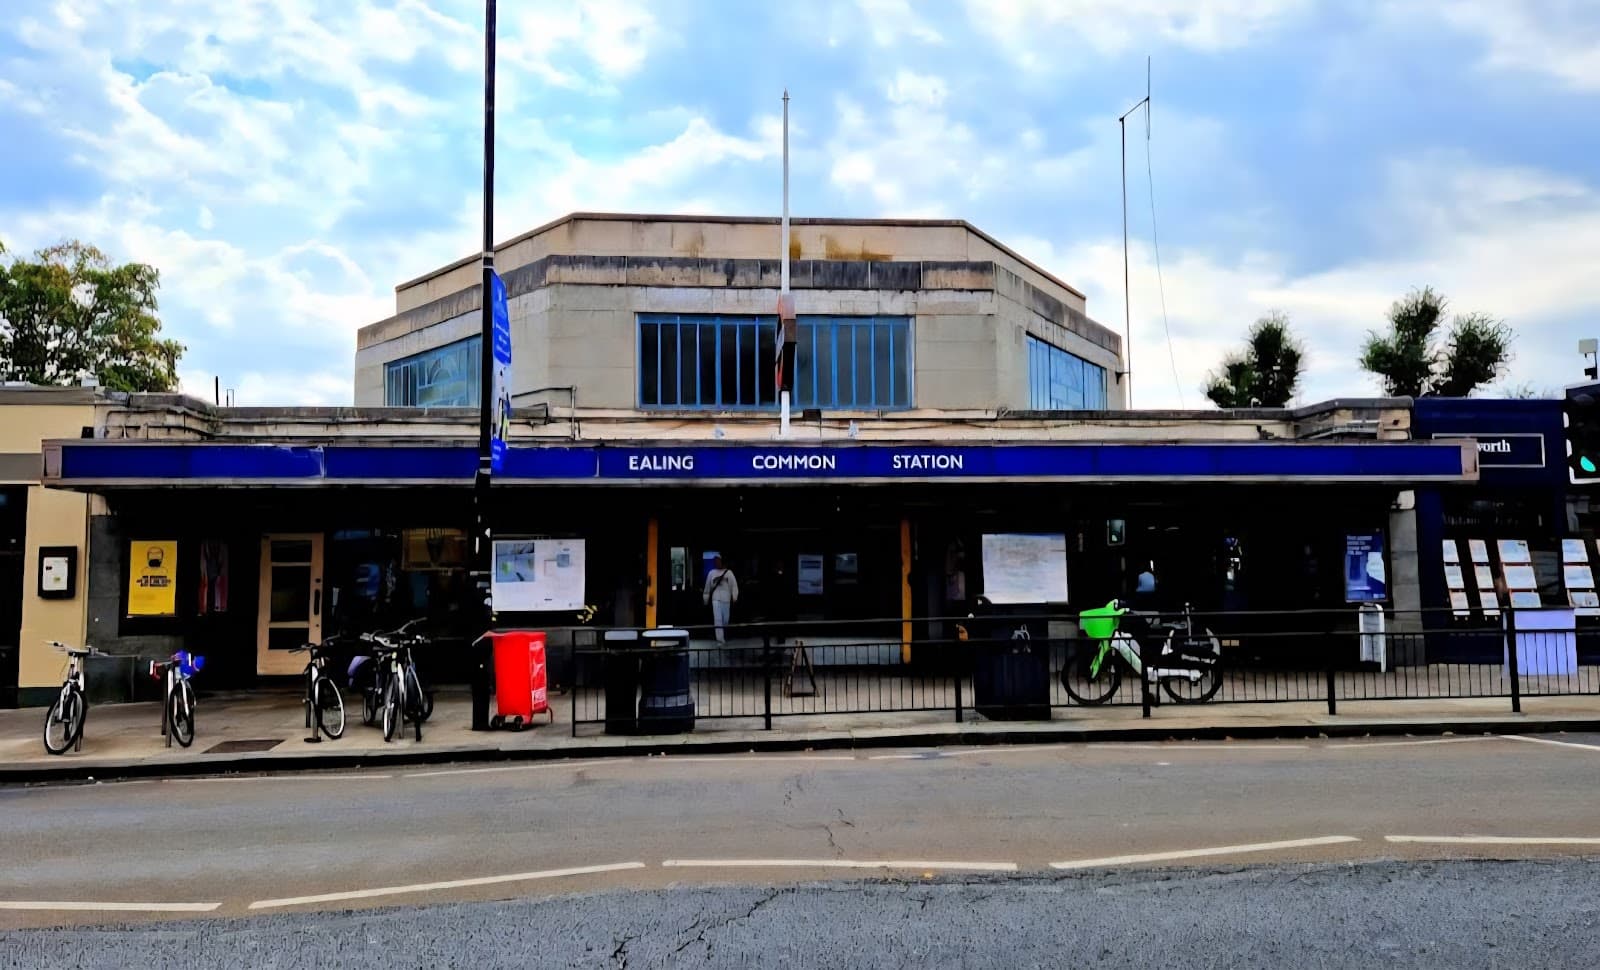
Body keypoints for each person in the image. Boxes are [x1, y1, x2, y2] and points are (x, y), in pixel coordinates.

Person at [703, 555, 739, 645]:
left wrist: (734, 596)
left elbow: (734, 585)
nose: (716, 563)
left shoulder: (728, 573)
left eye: (718, 561)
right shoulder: (711, 573)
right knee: (717, 619)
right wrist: (706, 599)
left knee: (725, 620)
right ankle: (720, 640)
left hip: (726, 598)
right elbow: (707, 587)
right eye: (715, 561)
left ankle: (723, 635)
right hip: (715, 599)